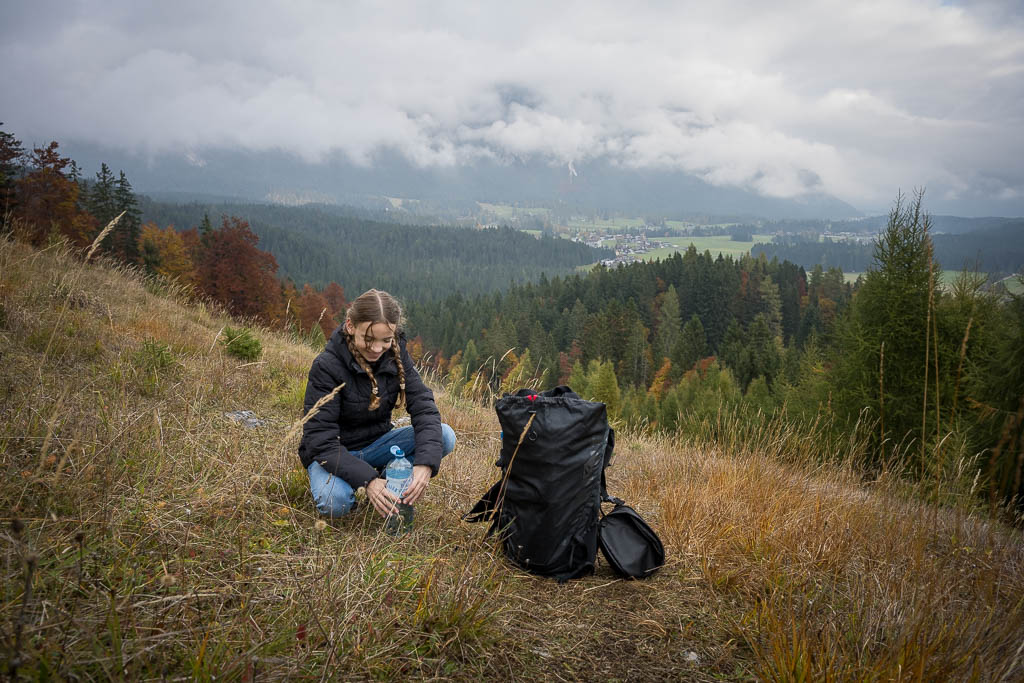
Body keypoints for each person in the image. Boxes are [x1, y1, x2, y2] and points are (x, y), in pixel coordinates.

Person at [298, 288, 456, 519]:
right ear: (351, 326)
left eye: (386, 340)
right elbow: (320, 441)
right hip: (335, 452)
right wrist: (368, 480)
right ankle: (368, 484)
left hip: (378, 443)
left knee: (444, 436)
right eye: (368, 339)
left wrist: (425, 463)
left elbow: (423, 405)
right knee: (335, 502)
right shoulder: (327, 366)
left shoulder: (396, 354)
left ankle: (389, 481)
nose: (377, 349)